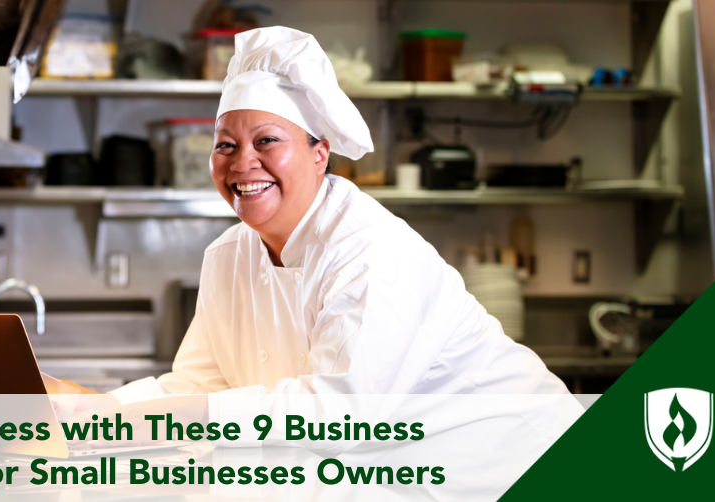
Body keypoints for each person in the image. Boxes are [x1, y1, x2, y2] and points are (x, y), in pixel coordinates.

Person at [52, 27, 581, 459]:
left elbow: (339, 417)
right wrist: (84, 412)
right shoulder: (228, 258)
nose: (242, 163)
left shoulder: (369, 249)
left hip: (523, 464)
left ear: (319, 153)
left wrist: (109, 420)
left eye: (267, 141)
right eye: (226, 145)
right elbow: (197, 388)